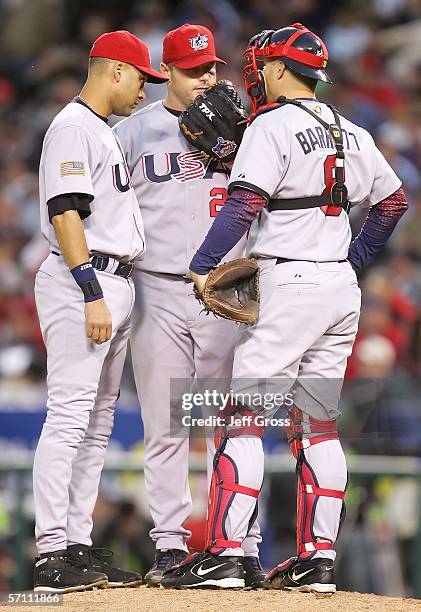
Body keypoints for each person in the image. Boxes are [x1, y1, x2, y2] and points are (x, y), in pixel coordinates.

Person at [160, 22, 408, 591]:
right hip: (339, 291)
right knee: (317, 427)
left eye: (261, 65)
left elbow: (243, 204)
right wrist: (352, 257)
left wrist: (202, 264)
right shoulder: (352, 129)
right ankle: (317, 561)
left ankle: (224, 555)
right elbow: (393, 202)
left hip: (290, 284)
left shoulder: (271, 124)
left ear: (275, 69)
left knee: (242, 418)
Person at [114, 23, 263, 588]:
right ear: (167, 72)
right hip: (157, 284)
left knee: (234, 419)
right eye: (193, 69)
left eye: (211, 69)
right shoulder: (134, 132)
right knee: (166, 422)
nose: (206, 78)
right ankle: (172, 546)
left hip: (228, 288)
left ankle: (240, 543)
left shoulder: (245, 133)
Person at [32, 30, 167, 593]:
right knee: (69, 417)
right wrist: (90, 289)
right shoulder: (72, 127)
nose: (144, 91)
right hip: (83, 280)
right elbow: (65, 212)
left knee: (97, 423)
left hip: (114, 280)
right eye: (141, 78)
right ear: (115, 70)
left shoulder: (98, 130)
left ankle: (77, 543)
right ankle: (49, 551)